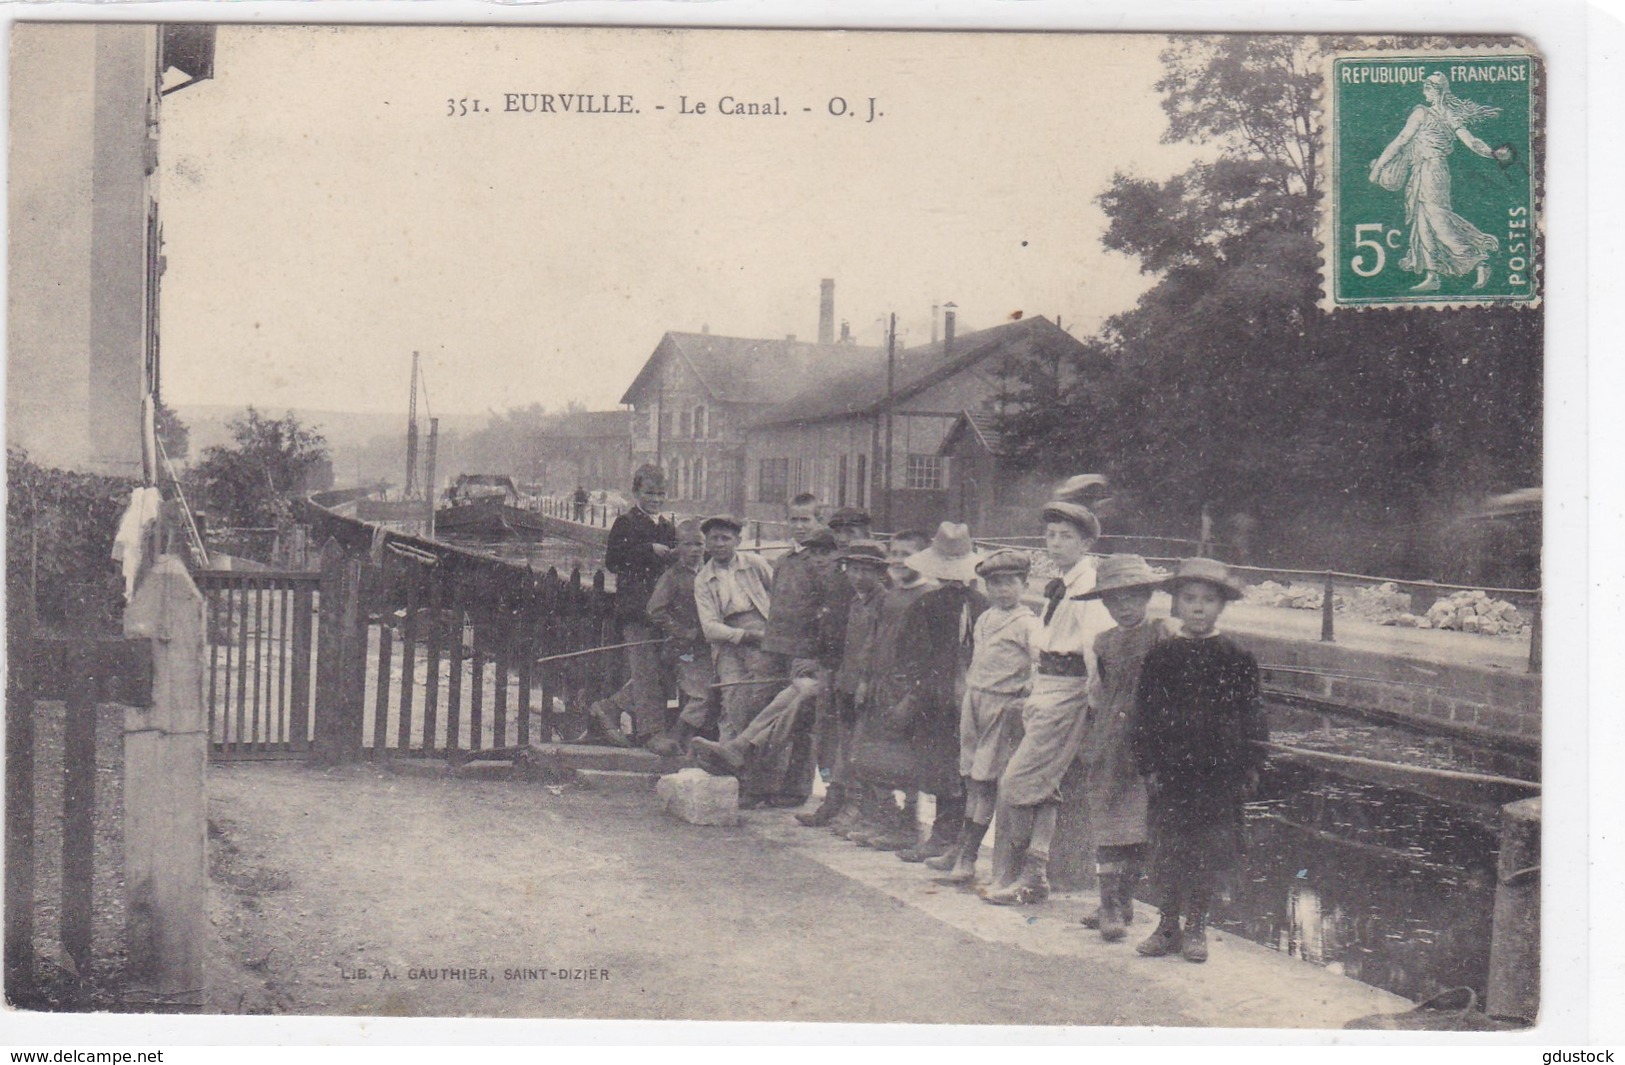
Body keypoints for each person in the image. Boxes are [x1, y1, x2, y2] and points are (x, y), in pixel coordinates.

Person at [1132, 557, 1268, 964]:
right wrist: (1149, 765)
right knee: (1168, 845)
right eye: (1188, 598)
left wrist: (1250, 766)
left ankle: (1197, 925)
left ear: (1221, 606)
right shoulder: (1162, 657)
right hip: (1172, 771)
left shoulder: (1236, 657)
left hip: (1217, 772)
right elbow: (1145, 715)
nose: (1197, 607)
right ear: (1175, 603)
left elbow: (1253, 716)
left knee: (1207, 849)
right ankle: (1167, 923)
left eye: (1208, 600)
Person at [983, 499, 1108, 906]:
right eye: (1051, 535)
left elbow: (1093, 648)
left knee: (1017, 783)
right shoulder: (1061, 583)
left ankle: (1024, 874)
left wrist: (1092, 704)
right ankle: (1034, 874)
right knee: (1043, 782)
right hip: (1045, 689)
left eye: (1066, 537)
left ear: (1086, 543)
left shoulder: (1087, 586)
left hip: (1068, 694)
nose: (1055, 543)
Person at [691, 496, 834, 808]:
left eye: (805, 520)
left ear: (818, 522)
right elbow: (779, 603)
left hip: (799, 645)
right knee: (756, 705)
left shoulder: (822, 563)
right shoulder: (783, 562)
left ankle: (794, 788)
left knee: (799, 716)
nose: (799, 527)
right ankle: (755, 783)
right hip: (768, 642)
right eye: (794, 520)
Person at [1072, 555, 1172, 940]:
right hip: (1112, 742)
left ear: (1147, 596)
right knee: (1109, 820)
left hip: (1150, 742)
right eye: (1115, 600)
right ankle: (1109, 904)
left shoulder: (1161, 634)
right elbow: (1100, 692)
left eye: (1133, 597)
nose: (1125, 606)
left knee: (1140, 825)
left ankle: (1125, 899)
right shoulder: (1104, 642)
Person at [926, 549, 1038, 885]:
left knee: (985, 783)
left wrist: (1026, 693)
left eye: (1010, 583)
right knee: (969, 776)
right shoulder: (987, 618)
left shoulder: (1027, 623)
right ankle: (960, 848)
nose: (1002, 590)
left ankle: (968, 857)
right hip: (975, 701)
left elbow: (1039, 663)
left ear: (1024, 584)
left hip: (1002, 706)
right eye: (995, 584)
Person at [885, 522, 988, 863]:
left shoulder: (929, 604)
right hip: (964, 695)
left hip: (938, 697)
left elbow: (908, 654)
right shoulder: (980, 603)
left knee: (945, 766)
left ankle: (945, 838)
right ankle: (951, 837)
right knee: (959, 766)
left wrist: (914, 689)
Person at [1368, 71, 1507, 292]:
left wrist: (1378, 168)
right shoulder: (1450, 115)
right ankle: (1432, 275)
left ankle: (1478, 260)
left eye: (1427, 88)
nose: (1425, 92)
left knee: (1437, 219)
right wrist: (1491, 153)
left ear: (1434, 91)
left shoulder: (1422, 113)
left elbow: (1400, 141)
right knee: (1422, 221)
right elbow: (1472, 142)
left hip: (1430, 170)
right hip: (1430, 170)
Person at [842, 529, 934, 849]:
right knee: (874, 756)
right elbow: (873, 639)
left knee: (906, 761)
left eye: (906, 553)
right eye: (894, 553)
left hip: (906, 691)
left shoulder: (928, 596)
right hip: (879, 686)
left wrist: (913, 694)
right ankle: (883, 818)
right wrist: (865, 679)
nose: (897, 560)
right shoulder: (889, 595)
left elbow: (928, 655)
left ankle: (908, 825)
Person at [798, 537, 888, 828]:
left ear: (879, 573)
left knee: (860, 747)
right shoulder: (853, 602)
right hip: (846, 681)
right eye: (853, 569)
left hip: (867, 685)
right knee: (842, 743)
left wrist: (865, 681)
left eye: (867, 571)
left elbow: (876, 649)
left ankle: (859, 806)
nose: (859, 576)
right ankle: (835, 802)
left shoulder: (882, 603)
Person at [588, 465, 676, 747]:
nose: (656, 499)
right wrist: (649, 550)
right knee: (646, 671)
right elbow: (614, 560)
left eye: (661, 493)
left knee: (661, 668)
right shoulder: (625, 523)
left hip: (660, 611)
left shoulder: (666, 526)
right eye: (650, 492)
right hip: (636, 609)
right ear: (636, 492)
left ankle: (611, 708)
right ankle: (651, 732)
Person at [693, 514, 776, 743]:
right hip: (727, 639)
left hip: (761, 631)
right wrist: (743, 636)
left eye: (725, 538)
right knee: (731, 694)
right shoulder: (703, 579)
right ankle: (731, 752)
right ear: (706, 542)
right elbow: (710, 627)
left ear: (737, 541)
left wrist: (769, 631)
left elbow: (780, 595)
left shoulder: (754, 564)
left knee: (762, 691)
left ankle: (760, 752)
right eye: (713, 539)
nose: (719, 544)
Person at [643, 518, 717, 756]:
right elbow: (655, 611)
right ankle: (677, 738)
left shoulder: (710, 572)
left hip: (708, 649)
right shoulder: (672, 576)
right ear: (678, 546)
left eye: (699, 544)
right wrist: (684, 632)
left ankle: (693, 745)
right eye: (688, 544)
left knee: (716, 691)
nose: (695, 550)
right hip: (682, 650)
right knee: (701, 696)